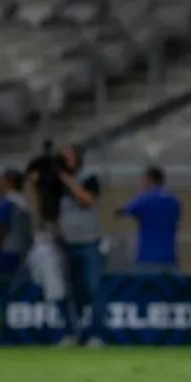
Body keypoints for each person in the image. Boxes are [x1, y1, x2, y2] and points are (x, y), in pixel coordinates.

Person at [55, 144, 105, 347]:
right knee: (69, 292)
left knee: (93, 289)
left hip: (88, 242)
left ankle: (95, 335)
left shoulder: (89, 178)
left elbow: (87, 200)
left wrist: (68, 181)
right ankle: (72, 334)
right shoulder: (58, 184)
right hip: (66, 243)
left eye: (69, 156)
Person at [0, 168, 33, 338]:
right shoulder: (25, 205)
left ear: (9, 181)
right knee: (13, 293)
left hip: (4, 254)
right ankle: (8, 332)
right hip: (22, 254)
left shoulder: (6, 204)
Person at [115, 166, 182, 273]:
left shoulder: (144, 199)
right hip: (170, 258)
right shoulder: (174, 200)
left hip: (148, 259)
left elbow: (123, 211)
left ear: (149, 180)